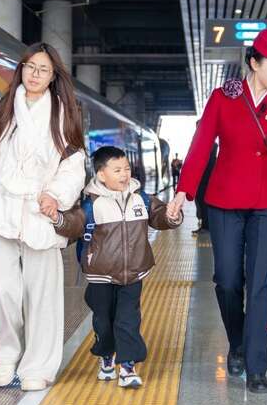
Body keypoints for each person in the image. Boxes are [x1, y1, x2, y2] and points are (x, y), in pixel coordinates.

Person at [167, 29, 267, 394]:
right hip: (224, 200)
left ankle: (257, 367)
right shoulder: (223, 98)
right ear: (254, 62)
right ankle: (238, 343)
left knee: (260, 283)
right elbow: (202, 144)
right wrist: (184, 190)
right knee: (228, 280)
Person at [0, 42, 86, 392]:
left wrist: (55, 195)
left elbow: (74, 164)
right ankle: (6, 354)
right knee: (0, 290)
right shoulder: (0, 109)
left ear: (53, 76)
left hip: (41, 212)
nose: (35, 74)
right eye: (30, 67)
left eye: (43, 69)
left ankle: (38, 365)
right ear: (21, 69)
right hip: (0, 209)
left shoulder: (64, 114)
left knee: (42, 295)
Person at [53, 146, 182, 388]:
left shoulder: (141, 198)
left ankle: (128, 367)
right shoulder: (90, 204)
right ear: (101, 174)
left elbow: (159, 216)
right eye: (117, 170)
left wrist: (172, 216)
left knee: (128, 319)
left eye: (126, 169)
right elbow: (74, 225)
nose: (124, 174)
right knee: (103, 320)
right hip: (99, 274)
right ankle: (106, 355)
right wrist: (58, 219)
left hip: (133, 272)